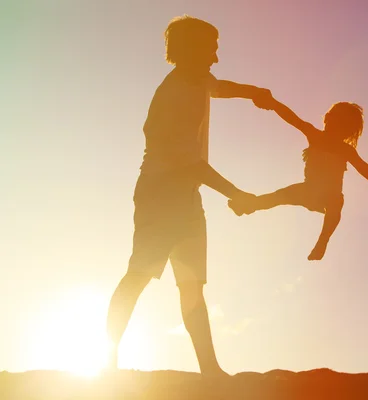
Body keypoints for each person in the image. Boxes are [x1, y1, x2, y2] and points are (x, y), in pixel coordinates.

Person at [105, 15, 271, 378]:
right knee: (138, 275)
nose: (215, 57)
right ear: (191, 49)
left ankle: (210, 370)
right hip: (160, 194)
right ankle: (106, 361)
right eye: (211, 49)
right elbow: (190, 164)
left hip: (187, 197)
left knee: (192, 284)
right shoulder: (176, 92)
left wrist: (254, 92)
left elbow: (219, 86)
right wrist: (237, 194)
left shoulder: (197, 80)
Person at [228, 97, 368, 261]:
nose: (331, 122)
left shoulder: (346, 150)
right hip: (308, 190)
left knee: (337, 202)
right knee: (278, 196)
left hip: (329, 196)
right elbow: (292, 118)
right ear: (327, 119)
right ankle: (249, 205)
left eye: (339, 123)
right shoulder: (315, 135)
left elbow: (364, 168)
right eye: (331, 118)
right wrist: (273, 103)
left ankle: (323, 241)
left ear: (346, 130)